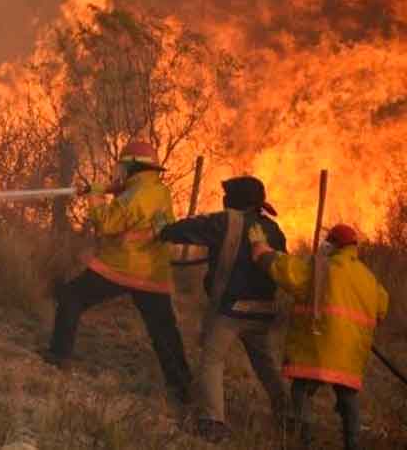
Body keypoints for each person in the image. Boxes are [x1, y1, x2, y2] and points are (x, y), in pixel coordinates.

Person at [42, 140, 192, 406]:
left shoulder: (134, 197)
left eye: (123, 165)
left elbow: (108, 223)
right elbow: (130, 196)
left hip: (122, 267)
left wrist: (94, 196)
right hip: (153, 273)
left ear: (132, 166)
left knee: (72, 298)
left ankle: (58, 356)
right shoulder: (158, 190)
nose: (119, 171)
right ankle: (182, 389)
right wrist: (106, 188)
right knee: (164, 332)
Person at [157, 176, 288, 442]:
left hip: (232, 310)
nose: (224, 200)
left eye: (228, 196)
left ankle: (212, 422)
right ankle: (288, 414)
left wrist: (164, 229)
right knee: (265, 365)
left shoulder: (226, 221)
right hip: (264, 309)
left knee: (211, 361)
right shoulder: (273, 229)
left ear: (237, 200)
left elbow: (191, 228)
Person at [249, 223, 389, 450]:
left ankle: (306, 441)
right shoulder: (369, 278)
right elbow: (382, 308)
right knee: (347, 396)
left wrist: (264, 253)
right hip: (351, 353)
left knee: (301, 390)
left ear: (333, 244)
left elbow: (289, 273)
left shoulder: (321, 268)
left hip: (317, 346)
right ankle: (352, 444)